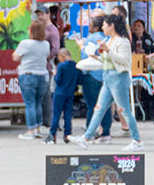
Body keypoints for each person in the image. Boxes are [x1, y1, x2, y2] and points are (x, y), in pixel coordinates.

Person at [73, 14, 143, 150]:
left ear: (112, 26)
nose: (103, 27)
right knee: (99, 108)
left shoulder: (122, 41)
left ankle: (137, 140)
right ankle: (87, 137)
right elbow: (108, 60)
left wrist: (108, 51)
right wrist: (96, 56)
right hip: (107, 77)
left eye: (105, 24)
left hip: (118, 78)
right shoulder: (109, 39)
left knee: (124, 110)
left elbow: (123, 60)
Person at [76, 11, 113, 141]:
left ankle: (89, 132)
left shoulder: (90, 39)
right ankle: (106, 133)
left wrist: (81, 47)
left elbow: (85, 56)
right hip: (106, 74)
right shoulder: (109, 38)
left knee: (92, 105)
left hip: (91, 75)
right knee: (106, 105)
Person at [12, 20, 50, 140]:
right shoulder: (46, 44)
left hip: (28, 74)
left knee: (29, 104)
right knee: (38, 103)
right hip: (42, 75)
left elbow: (15, 57)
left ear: (32, 30)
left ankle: (31, 130)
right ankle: (38, 128)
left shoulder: (25, 43)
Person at [46, 48, 79, 144]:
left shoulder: (61, 66)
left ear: (62, 56)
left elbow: (58, 80)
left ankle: (53, 134)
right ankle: (67, 135)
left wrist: (55, 74)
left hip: (60, 93)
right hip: (70, 93)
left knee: (56, 114)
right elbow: (78, 79)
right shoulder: (75, 65)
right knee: (68, 115)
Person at [36, 5, 59, 130]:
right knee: (42, 94)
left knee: (45, 95)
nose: (40, 17)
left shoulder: (52, 30)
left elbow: (55, 48)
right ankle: (46, 120)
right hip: (38, 66)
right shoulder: (40, 28)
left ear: (47, 14)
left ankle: (49, 121)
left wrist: (46, 57)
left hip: (46, 66)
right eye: (38, 14)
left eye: (42, 14)